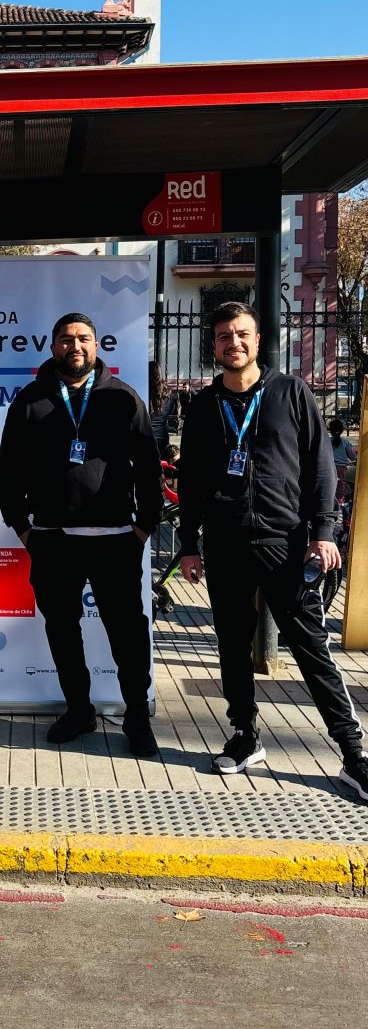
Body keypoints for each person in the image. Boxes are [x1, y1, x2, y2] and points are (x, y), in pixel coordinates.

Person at [178, 300, 368, 799]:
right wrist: (189, 544)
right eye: (224, 335)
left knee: (311, 647)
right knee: (232, 645)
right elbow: (191, 479)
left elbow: (321, 467)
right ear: (213, 345)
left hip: (286, 544)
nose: (233, 343)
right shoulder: (203, 405)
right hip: (225, 545)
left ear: (258, 340)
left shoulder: (291, 392)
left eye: (242, 334)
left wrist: (323, 532)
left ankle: (353, 754)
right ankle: (245, 735)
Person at [0, 312, 163, 757]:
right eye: (66, 339)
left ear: (96, 345)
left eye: (84, 339)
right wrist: (23, 527)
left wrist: (144, 525)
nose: (75, 346)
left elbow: (149, 465)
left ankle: (136, 717)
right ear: (53, 346)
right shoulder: (30, 400)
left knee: (127, 632)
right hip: (53, 539)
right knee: (62, 629)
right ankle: (78, 709)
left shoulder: (122, 398)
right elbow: (8, 469)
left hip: (115, 539)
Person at [148, 363, 178, 458]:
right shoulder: (169, 394)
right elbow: (173, 413)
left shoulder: (145, 392)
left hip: (147, 435)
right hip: (162, 435)